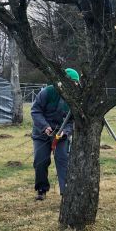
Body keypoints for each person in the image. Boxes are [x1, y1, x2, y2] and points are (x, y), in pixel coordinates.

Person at [31, 68, 80, 200]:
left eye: (76, 83)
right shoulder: (47, 92)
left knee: (63, 159)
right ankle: (41, 189)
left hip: (62, 134)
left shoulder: (75, 97)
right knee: (40, 161)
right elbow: (35, 111)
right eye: (72, 82)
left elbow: (74, 120)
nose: (75, 85)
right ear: (63, 81)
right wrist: (45, 127)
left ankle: (66, 192)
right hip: (42, 133)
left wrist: (66, 131)